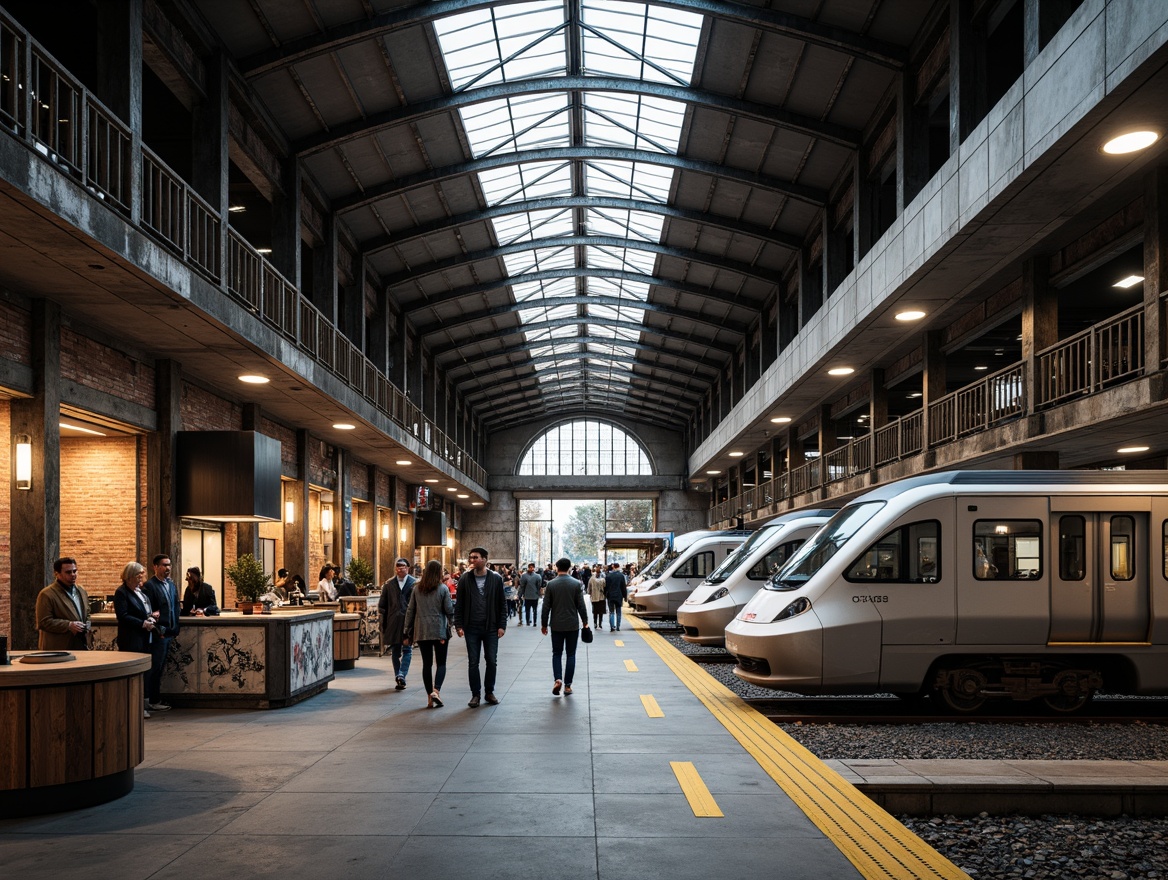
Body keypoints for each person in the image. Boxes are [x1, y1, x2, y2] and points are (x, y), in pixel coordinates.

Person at [453, 546, 507, 707]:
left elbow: (501, 604)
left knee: (491, 660)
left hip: (491, 627)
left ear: (485, 559)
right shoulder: (465, 579)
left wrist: (501, 625)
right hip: (471, 627)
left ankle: (489, 692)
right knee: (473, 661)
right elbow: (459, 604)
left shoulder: (495, 579)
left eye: (475, 557)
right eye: (470, 557)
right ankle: (475, 694)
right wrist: (459, 625)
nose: (472, 560)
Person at [402, 560, 454, 709]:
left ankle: (429, 697)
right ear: (438, 573)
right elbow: (449, 609)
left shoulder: (417, 589)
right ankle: (436, 690)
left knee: (427, 664)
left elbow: (410, 611)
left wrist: (407, 631)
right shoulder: (443, 589)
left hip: (422, 631)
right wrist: (455, 624)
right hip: (439, 631)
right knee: (441, 663)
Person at [113, 561, 161, 717]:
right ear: (129, 576)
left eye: (142, 574)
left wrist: (152, 617)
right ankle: (135, 707)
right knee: (135, 673)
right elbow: (123, 615)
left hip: (146, 637)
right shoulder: (122, 592)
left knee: (146, 672)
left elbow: (145, 610)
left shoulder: (141, 591)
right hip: (132, 638)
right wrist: (142, 623)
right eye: (139, 574)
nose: (142, 577)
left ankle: (144, 703)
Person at [541, 557, 590, 696]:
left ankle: (557, 679)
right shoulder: (576, 584)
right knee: (571, 654)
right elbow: (581, 604)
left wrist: (544, 624)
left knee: (556, 654)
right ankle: (568, 686)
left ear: (556, 567)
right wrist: (585, 621)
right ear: (569, 568)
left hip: (556, 625)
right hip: (572, 625)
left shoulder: (551, 584)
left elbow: (546, 607)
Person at [144, 553, 181, 712]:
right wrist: (158, 629)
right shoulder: (150, 586)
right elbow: (149, 611)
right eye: (164, 565)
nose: (168, 568)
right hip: (159, 634)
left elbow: (176, 606)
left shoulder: (171, 585)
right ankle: (151, 700)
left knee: (160, 668)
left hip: (170, 632)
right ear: (155, 567)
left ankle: (154, 698)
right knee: (154, 668)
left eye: (169, 565)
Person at [36, 556, 91, 650]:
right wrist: (68, 625)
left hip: (80, 644)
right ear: (57, 574)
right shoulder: (47, 594)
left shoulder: (81, 591)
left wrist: (87, 625)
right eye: (68, 572)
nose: (73, 574)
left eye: (75, 571)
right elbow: (43, 622)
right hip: (59, 647)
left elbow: (87, 612)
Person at [378, 558, 415, 689]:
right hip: (393, 622)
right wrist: (383, 622)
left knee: (407, 649)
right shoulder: (388, 584)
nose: (400, 569)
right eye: (398, 566)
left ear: (408, 568)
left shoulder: (414, 584)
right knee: (395, 651)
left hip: (408, 622)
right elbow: (382, 605)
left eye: (403, 566)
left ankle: (402, 675)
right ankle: (398, 676)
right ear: (395, 568)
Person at [605, 562, 628, 632]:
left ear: (613, 567)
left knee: (611, 611)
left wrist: (605, 595)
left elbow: (606, 587)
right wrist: (625, 596)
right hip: (619, 595)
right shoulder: (621, 576)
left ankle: (612, 627)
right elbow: (623, 587)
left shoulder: (608, 576)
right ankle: (618, 626)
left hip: (610, 596)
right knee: (619, 611)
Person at [519, 562, 542, 626]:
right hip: (529, 596)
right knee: (528, 610)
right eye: (530, 567)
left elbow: (539, 586)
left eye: (532, 567)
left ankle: (534, 622)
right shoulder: (537, 576)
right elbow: (522, 586)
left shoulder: (536, 576)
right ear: (528, 568)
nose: (531, 568)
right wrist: (520, 595)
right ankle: (528, 622)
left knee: (533, 610)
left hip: (532, 595)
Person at [587, 564, 607, 629]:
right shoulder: (603, 579)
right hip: (601, 597)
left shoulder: (592, 579)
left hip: (594, 597)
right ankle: (600, 624)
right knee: (601, 612)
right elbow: (605, 587)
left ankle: (595, 623)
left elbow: (589, 588)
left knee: (595, 612)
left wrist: (590, 593)